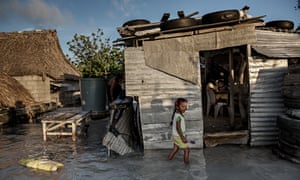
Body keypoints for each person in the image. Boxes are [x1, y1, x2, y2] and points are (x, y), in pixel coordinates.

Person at [168, 98, 190, 164]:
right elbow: (178, 128)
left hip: (176, 135)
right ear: (177, 107)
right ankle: (187, 165)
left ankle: (168, 160)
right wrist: (182, 137)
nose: (185, 108)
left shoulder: (177, 114)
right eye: (183, 106)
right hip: (179, 136)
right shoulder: (178, 116)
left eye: (186, 106)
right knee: (187, 150)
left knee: (176, 148)